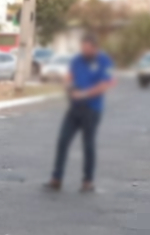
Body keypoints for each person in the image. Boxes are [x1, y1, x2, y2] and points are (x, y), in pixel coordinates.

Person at [45, 34, 115, 193]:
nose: (84, 51)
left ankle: (88, 181)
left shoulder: (104, 61)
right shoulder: (77, 60)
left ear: (95, 48)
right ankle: (56, 178)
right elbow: (69, 76)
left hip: (92, 109)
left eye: (87, 49)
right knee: (63, 140)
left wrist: (83, 94)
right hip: (74, 108)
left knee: (88, 144)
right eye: (82, 48)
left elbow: (105, 84)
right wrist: (68, 86)